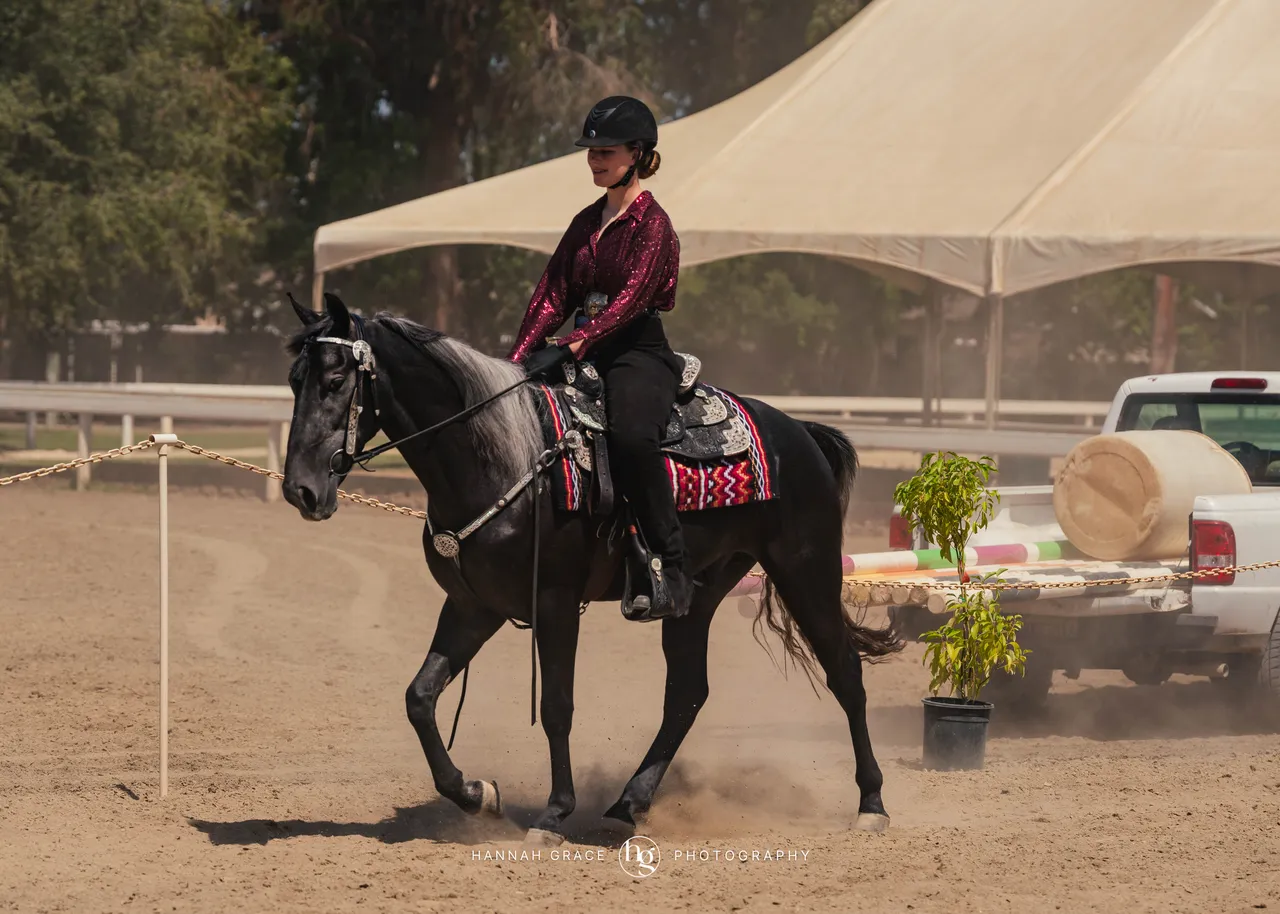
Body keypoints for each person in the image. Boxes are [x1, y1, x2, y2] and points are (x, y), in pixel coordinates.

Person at [508, 95, 691, 621]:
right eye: (590, 151)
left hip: (637, 353)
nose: (594, 160)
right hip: (582, 350)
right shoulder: (585, 222)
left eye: (604, 151)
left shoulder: (653, 225)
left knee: (633, 435)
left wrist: (569, 345)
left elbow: (631, 301)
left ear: (637, 153)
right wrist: (518, 361)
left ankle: (672, 567)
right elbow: (552, 295)